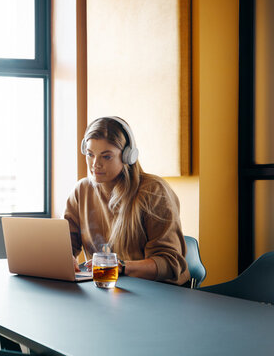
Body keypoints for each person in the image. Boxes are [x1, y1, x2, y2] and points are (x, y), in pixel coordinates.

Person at [65, 117, 190, 285]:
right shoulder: (82, 190)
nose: (95, 164)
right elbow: (66, 244)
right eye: (90, 154)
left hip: (161, 293)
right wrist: (65, 257)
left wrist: (121, 267)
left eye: (106, 156)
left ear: (127, 156)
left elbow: (170, 263)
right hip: (110, 291)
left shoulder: (153, 191)